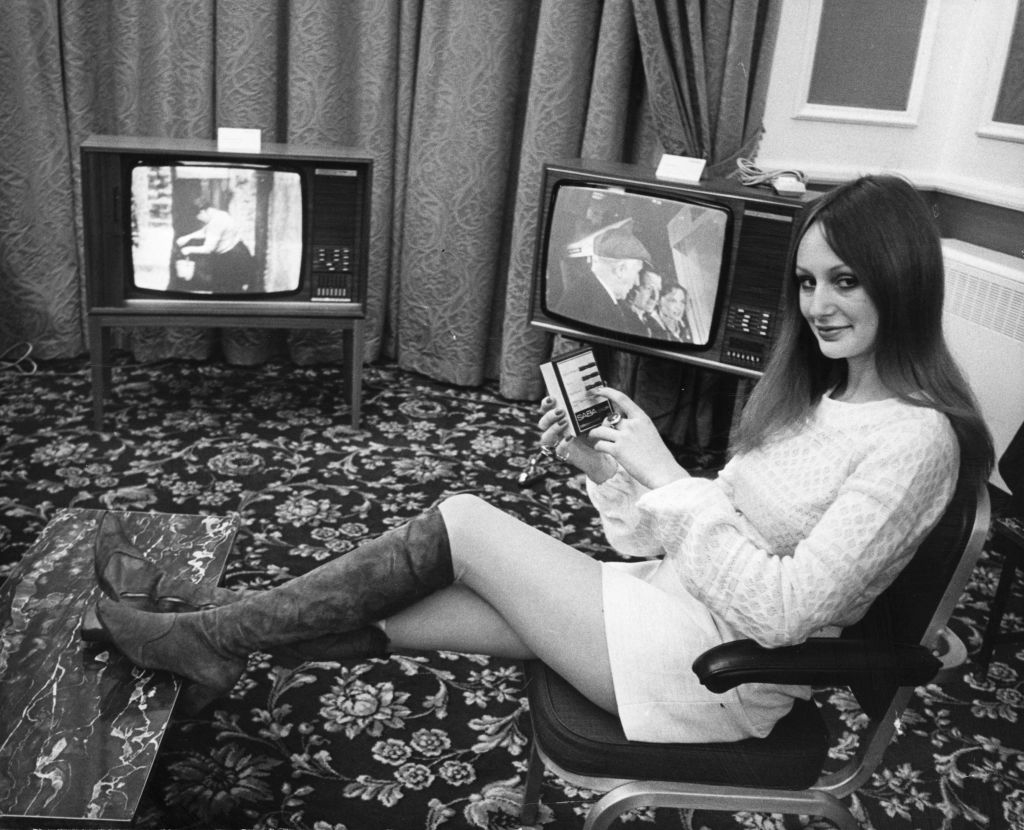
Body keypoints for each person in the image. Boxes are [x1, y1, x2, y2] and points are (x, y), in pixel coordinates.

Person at [89, 174, 993, 742]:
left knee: (463, 524)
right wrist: (610, 473)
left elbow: (788, 612)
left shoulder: (915, 441)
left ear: (902, 278)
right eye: (806, 280)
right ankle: (210, 638)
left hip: (717, 676)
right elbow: (674, 542)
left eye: (845, 278)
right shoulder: (824, 399)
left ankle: (200, 634)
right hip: (663, 607)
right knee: (418, 610)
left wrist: (667, 476)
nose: (820, 304)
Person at [554, 219, 651, 333]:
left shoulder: (588, 292)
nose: (637, 282)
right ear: (620, 270)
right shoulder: (587, 302)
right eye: (637, 273)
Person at [176, 197, 257, 292]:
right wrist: (187, 237)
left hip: (233, 259)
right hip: (235, 254)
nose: (201, 220)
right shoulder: (220, 215)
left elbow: (208, 248)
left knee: (228, 292)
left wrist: (188, 249)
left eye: (199, 218)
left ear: (202, 212)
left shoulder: (216, 222)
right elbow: (205, 231)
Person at [624, 270, 663, 336]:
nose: (655, 297)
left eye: (658, 290)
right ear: (633, 288)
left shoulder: (653, 323)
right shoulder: (623, 317)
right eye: (648, 288)